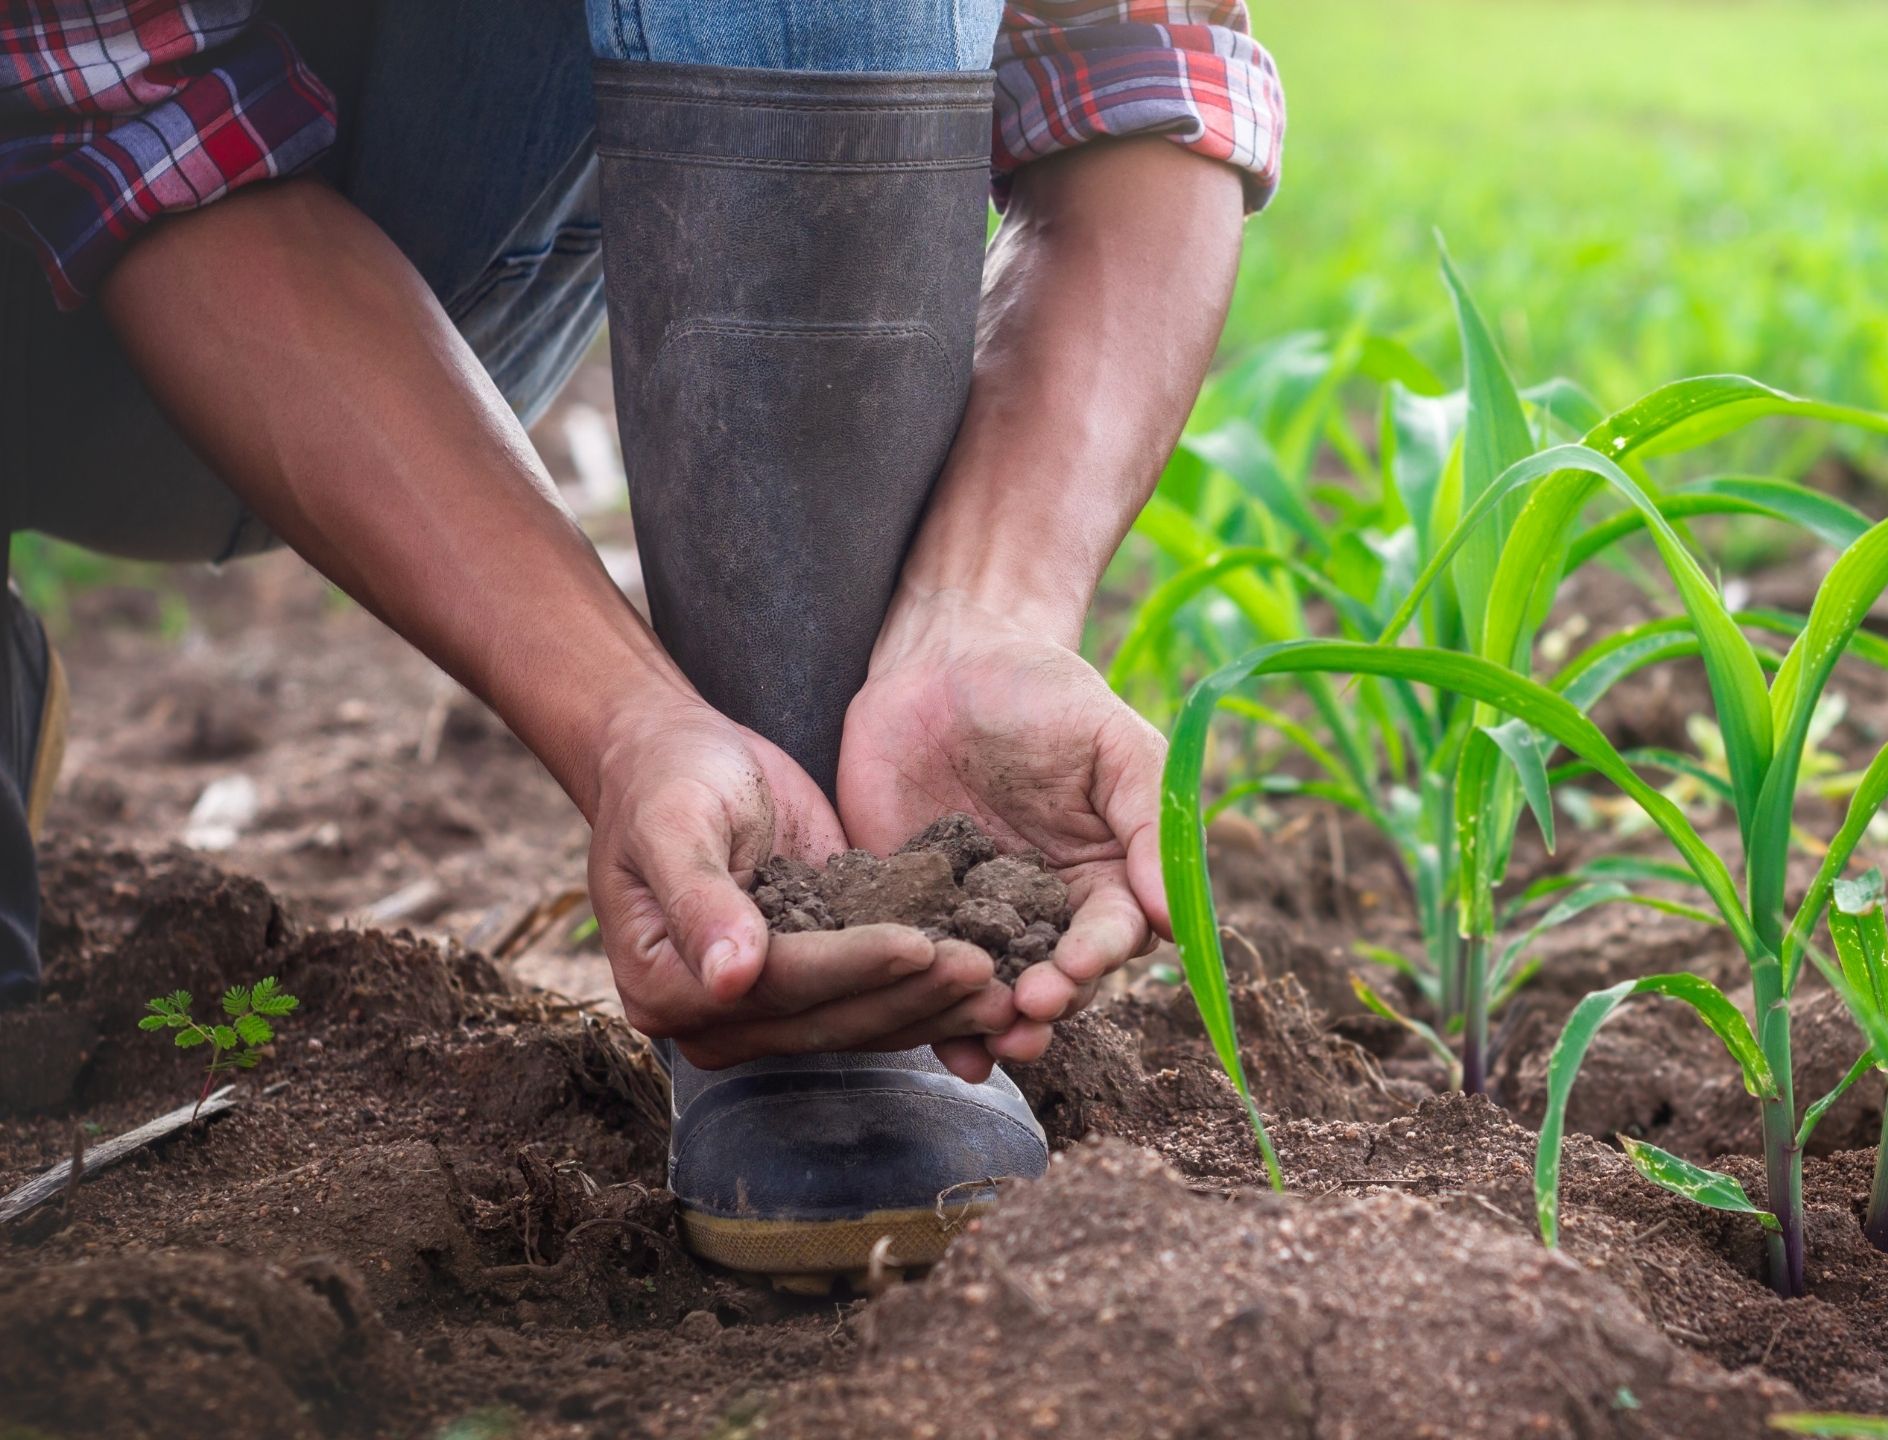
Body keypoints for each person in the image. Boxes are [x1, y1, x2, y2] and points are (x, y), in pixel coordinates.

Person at [0, 0, 1281, 1285]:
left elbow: (1136, 69)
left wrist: (986, 607)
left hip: (422, 249)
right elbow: (120, 120)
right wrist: (615, 717)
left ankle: (800, 875)